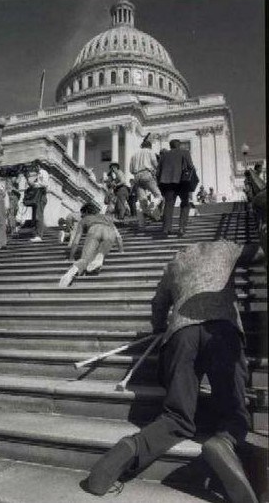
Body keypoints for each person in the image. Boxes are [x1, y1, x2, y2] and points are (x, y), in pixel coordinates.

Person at [85, 240, 264, 503]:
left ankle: (131, 447)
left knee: (176, 418)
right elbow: (259, 253)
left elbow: (158, 303)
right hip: (221, 329)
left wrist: (159, 327)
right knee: (234, 413)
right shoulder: (226, 247)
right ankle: (224, 441)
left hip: (181, 335)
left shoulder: (174, 263)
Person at [59, 203, 124, 287]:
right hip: (109, 230)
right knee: (106, 243)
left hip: (94, 230)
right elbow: (118, 237)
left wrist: (71, 257)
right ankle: (100, 256)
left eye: (82, 213)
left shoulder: (84, 220)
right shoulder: (106, 217)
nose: (81, 216)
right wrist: (121, 250)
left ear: (86, 212)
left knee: (85, 259)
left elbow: (76, 240)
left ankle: (74, 269)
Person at [158, 139, 195, 237]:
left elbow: (158, 172)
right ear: (179, 145)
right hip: (182, 182)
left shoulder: (164, 155)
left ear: (170, 146)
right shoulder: (185, 152)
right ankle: (181, 228)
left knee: (168, 205)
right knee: (185, 204)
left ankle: (166, 229)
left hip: (168, 184)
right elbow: (191, 166)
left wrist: (161, 187)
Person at [130, 136, 163, 225]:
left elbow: (131, 170)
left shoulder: (134, 155)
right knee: (158, 196)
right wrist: (155, 171)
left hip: (136, 177)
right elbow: (155, 164)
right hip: (146, 174)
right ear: (149, 146)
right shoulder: (150, 152)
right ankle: (149, 211)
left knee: (142, 200)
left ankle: (142, 223)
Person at [24, 166, 50, 242]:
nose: (34, 170)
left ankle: (39, 235)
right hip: (37, 197)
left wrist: (34, 184)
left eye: (34, 167)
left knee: (38, 215)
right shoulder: (38, 174)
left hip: (40, 196)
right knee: (36, 216)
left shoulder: (43, 172)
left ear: (38, 165)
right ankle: (36, 234)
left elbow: (45, 184)